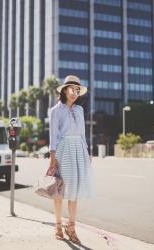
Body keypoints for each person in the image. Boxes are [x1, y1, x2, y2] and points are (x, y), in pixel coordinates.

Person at [47, 75, 93, 244]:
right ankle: (58, 225)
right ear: (64, 90)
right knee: (59, 190)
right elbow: (53, 136)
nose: (74, 93)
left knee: (74, 192)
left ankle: (71, 226)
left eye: (77, 90)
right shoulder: (55, 110)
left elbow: (82, 133)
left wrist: (87, 152)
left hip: (78, 150)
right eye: (71, 89)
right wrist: (52, 158)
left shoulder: (80, 110)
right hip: (63, 150)